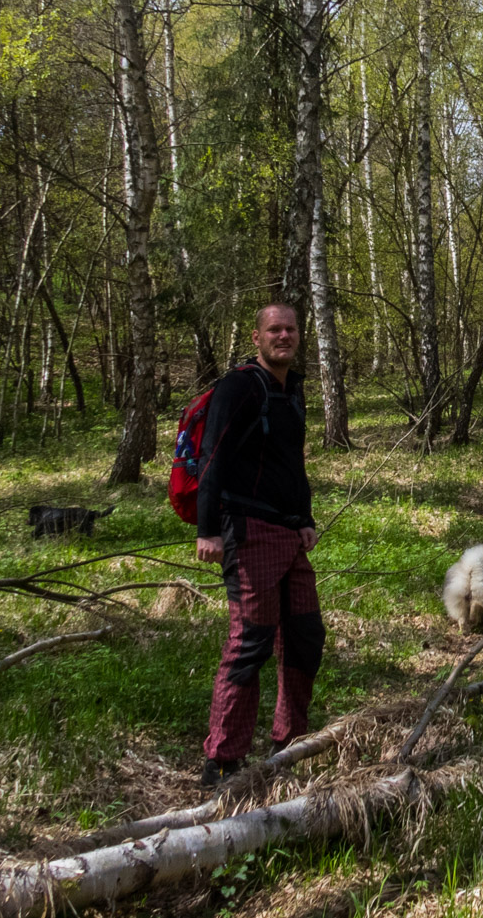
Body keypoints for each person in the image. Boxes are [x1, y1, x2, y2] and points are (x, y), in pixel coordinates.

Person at [195, 302, 325, 787]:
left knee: (306, 636)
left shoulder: (293, 391)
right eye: (275, 329)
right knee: (250, 643)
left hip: (289, 534)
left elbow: (294, 463)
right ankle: (222, 763)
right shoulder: (238, 387)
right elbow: (212, 456)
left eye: (290, 329)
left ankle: (287, 746)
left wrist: (305, 519)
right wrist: (207, 530)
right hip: (247, 532)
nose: (284, 336)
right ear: (257, 337)